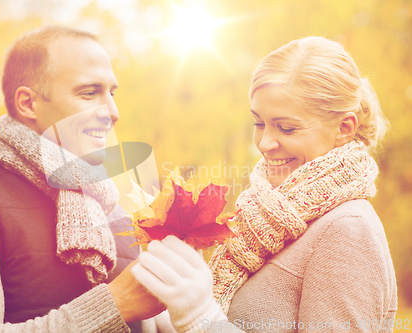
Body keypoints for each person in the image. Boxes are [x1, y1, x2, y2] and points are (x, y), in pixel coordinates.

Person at [132, 36, 397, 332]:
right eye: (259, 123)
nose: (265, 143)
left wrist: (200, 319)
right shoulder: (262, 221)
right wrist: (162, 307)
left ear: (344, 128)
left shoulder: (348, 231)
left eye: (286, 128)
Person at [0, 26, 164, 332]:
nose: (113, 112)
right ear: (28, 104)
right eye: (89, 93)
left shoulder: (115, 212)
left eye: (111, 93)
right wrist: (114, 305)